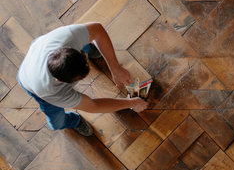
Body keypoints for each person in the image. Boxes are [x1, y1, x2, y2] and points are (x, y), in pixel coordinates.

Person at [17, 22, 148, 136]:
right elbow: (93, 106)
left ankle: (89, 48)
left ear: (69, 49)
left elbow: (97, 29)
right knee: (57, 123)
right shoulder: (53, 92)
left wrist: (115, 67)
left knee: (86, 40)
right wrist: (131, 103)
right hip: (30, 81)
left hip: (41, 45)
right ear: (60, 81)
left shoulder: (67, 38)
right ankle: (73, 121)